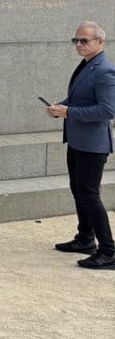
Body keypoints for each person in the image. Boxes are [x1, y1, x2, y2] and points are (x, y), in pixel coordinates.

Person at [46, 22, 115, 269]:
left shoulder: (105, 70)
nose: (78, 44)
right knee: (78, 190)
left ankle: (108, 251)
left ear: (100, 41)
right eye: (75, 40)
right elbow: (80, 98)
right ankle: (85, 239)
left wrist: (69, 112)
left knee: (89, 194)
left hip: (93, 145)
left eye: (84, 40)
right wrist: (61, 106)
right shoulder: (87, 65)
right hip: (77, 141)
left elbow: (107, 110)